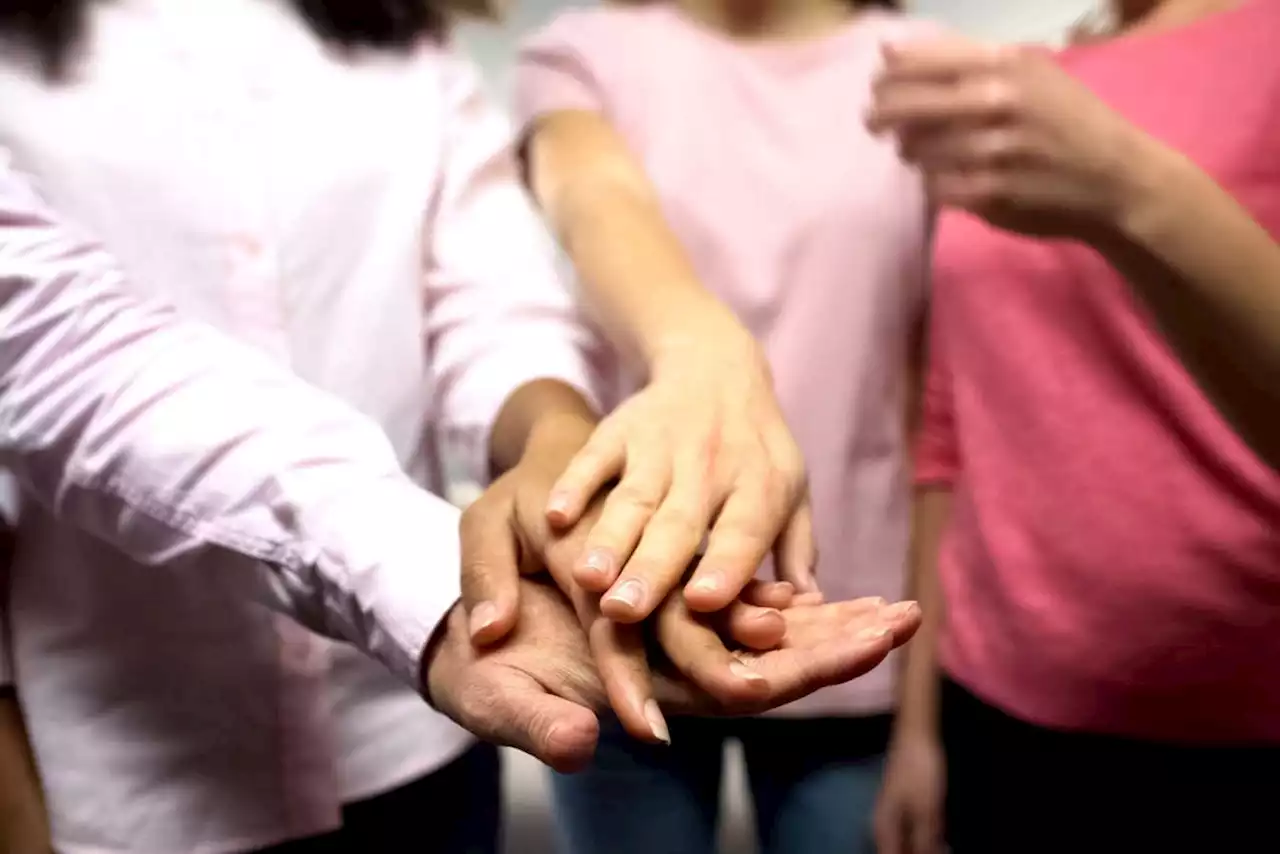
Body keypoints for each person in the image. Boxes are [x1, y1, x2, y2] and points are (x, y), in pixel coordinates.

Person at [0, 144, 923, 854]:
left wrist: (562, 455)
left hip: (421, 740)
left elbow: (489, 302)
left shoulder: (399, 41)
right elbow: (47, 342)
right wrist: (424, 579)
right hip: (138, 759)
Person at [506, 0, 935, 851]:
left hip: (853, 629)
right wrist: (707, 350)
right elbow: (592, 192)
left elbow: (944, 416)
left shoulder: (924, 69)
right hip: (621, 617)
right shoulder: (583, 53)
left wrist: (927, 724)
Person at [867, 1, 1280, 852]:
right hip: (996, 707)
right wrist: (918, 729)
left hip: (1247, 729)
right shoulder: (1017, 89)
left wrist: (1132, 188)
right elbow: (950, 434)